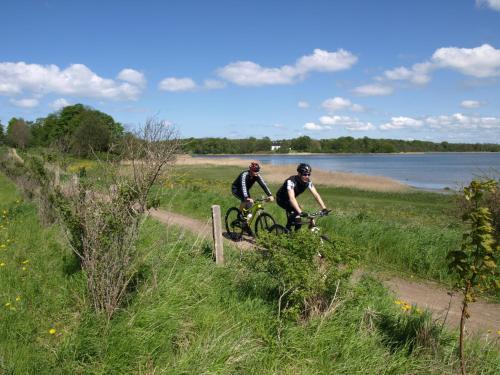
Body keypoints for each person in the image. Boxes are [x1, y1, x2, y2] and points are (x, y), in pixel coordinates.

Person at [276, 163, 328, 231]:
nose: (307, 176)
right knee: (297, 212)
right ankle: (287, 229)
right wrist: (300, 212)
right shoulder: (291, 181)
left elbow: (316, 195)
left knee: (298, 222)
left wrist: (324, 208)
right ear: (299, 174)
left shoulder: (308, 182)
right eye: (304, 174)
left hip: (290, 200)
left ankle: (294, 236)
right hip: (281, 199)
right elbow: (292, 198)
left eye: (308, 174)